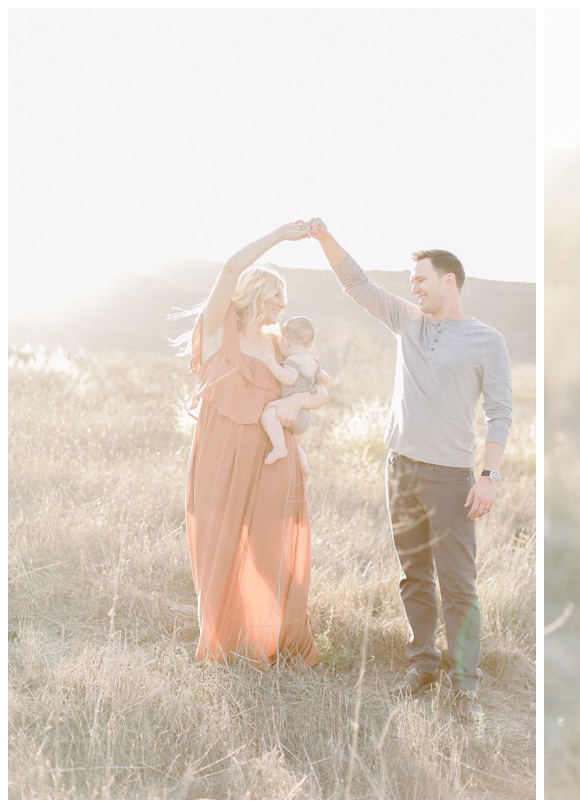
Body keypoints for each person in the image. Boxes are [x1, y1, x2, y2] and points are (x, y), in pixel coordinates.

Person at [308, 218, 513, 724]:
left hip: (450, 479)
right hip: (399, 469)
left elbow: (500, 412)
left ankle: (465, 686)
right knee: (413, 576)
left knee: (459, 583)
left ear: (450, 281)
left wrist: (489, 477)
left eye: (420, 278)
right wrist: (322, 236)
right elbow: (358, 285)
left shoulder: (487, 341)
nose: (413, 287)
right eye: (411, 281)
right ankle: (423, 665)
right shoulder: (408, 321)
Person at [181, 222, 328, 667]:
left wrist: (300, 405)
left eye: (285, 299)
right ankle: (229, 640)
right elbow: (229, 268)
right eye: (276, 295)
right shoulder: (215, 330)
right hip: (219, 452)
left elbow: (320, 390)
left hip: (270, 456)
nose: (283, 306)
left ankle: (273, 637)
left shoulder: (278, 344)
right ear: (254, 292)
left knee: (272, 546)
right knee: (217, 542)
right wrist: (281, 235)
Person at [257, 315, 330, 477]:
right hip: (305, 417)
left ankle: (279, 448)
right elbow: (325, 378)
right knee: (297, 447)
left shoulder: (293, 361)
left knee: (268, 415)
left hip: (293, 414)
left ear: (285, 342)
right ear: (310, 345)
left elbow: (289, 379)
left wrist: (272, 364)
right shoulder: (313, 362)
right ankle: (302, 462)